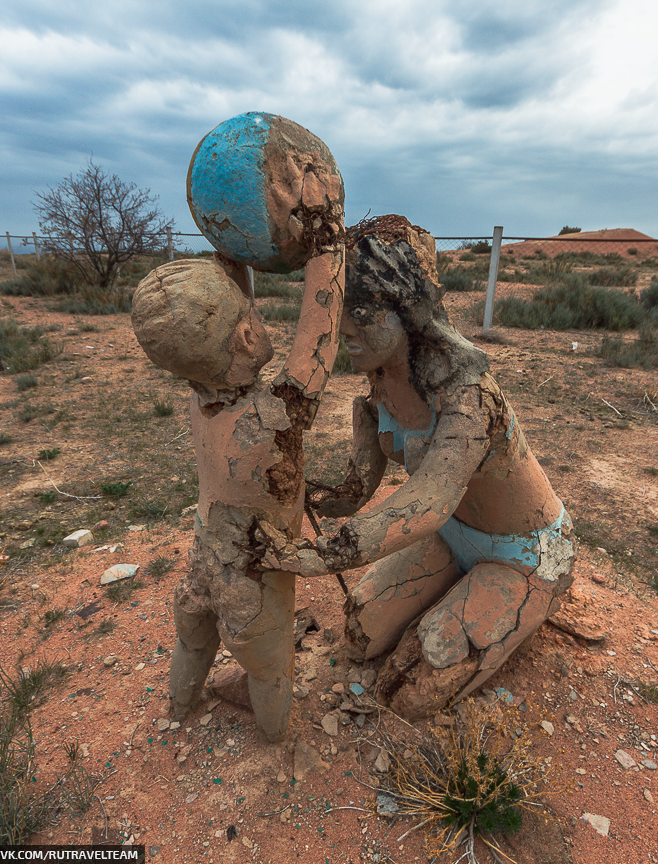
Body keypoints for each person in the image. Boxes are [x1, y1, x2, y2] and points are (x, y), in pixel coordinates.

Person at [260, 215, 575, 718]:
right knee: (361, 630)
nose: (345, 330)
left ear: (408, 311)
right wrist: (293, 491)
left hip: (524, 554)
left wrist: (318, 557)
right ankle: (454, 590)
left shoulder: (469, 400)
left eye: (362, 311)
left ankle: (522, 597)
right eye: (342, 310)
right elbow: (355, 489)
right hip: (451, 535)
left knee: (412, 691)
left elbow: (429, 501)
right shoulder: (374, 398)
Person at [131, 239, 343, 742]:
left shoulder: (200, 396)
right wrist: (326, 243)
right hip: (254, 576)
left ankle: (180, 707)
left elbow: (225, 322)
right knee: (269, 671)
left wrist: (230, 252)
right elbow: (318, 335)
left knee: (194, 637)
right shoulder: (271, 418)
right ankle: (273, 743)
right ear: (247, 337)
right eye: (251, 317)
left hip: (205, 555)